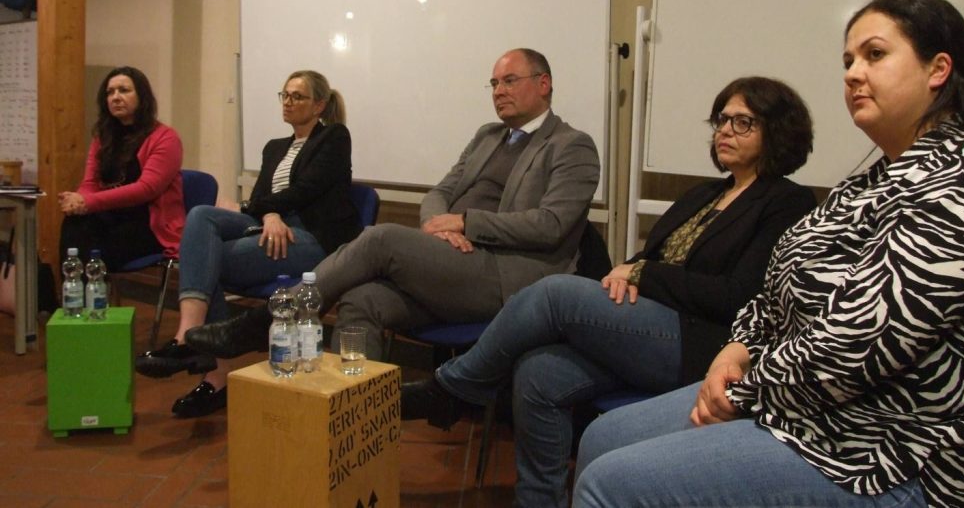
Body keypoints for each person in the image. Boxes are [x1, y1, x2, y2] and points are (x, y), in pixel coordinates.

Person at [572, 0, 964, 508]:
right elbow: (775, 291)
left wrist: (744, 391)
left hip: (905, 447)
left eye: (874, 55)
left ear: (938, 69)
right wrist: (737, 348)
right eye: (848, 61)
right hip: (810, 402)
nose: (853, 73)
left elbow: (864, 343)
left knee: (613, 483)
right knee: (600, 438)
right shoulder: (868, 182)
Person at [401, 76, 817, 507]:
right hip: (645, 325)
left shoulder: (788, 203)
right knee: (538, 372)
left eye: (743, 122)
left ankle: (453, 389)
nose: (725, 130)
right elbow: (650, 255)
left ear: (777, 131)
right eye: (722, 120)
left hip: (703, 344)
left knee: (555, 293)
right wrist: (630, 270)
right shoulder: (706, 194)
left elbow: (740, 296)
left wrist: (642, 273)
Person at [181, 48, 601, 364]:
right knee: (361, 299)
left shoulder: (571, 145)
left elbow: (550, 225)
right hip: (454, 263)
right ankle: (358, 422)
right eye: (493, 84)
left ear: (543, 84)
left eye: (510, 81)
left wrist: (467, 223)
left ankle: (269, 319)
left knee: (379, 238)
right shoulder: (488, 135)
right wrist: (441, 225)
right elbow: (441, 190)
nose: (499, 92)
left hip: (508, 276)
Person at [136, 70, 361, 418]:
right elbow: (263, 198)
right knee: (201, 214)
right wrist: (268, 214)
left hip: (312, 238)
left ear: (319, 104)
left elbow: (306, 192)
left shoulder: (333, 137)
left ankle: (213, 373)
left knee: (205, 260)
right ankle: (189, 334)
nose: (287, 102)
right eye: (284, 95)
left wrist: (264, 211)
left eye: (297, 96)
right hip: (270, 227)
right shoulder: (274, 148)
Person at [59, 67, 184, 271]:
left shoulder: (166, 138)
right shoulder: (103, 136)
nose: (116, 97)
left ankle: (91, 296)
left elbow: (147, 189)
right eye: (110, 92)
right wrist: (78, 203)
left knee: (94, 249)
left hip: (148, 223)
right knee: (74, 224)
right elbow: (90, 183)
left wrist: (88, 202)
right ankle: (74, 297)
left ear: (142, 96)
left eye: (124, 90)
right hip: (109, 213)